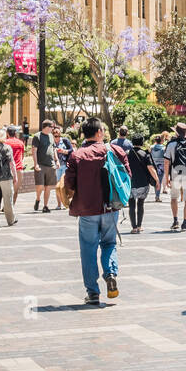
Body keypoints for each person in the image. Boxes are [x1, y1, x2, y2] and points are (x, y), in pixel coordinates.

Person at [63, 118, 127, 305]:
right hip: (110, 207)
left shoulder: (77, 155)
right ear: (99, 132)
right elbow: (126, 176)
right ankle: (111, 273)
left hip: (87, 209)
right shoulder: (115, 151)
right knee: (109, 243)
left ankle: (92, 292)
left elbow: (69, 183)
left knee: (88, 249)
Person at [163, 121, 186, 232]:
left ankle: (175, 220)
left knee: (174, 198)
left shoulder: (171, 145)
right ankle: (185, 223)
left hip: (176, 174)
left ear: (176, 133)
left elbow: (166, 162)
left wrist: (167, 177)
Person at [125, 135, 159, 233]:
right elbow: (150, 168)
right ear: (142, 143)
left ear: (132, 142)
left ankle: (134, 227)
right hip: (143, 183)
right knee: (140, 204)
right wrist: (157, 180)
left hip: (130, 183)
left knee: (131, 205)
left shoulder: (127, 154)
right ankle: (139, 226)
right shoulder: (145, 154)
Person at [30, 120, 60, 213]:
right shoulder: (37, 136)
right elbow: (34, 151)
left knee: (48, 187)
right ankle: (38, 199)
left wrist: (57, 160)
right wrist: (36, 164)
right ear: (47, 127)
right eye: (52, 127)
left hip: (50, 165)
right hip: (41, 165)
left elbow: (54, 149)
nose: (53, 129)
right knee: (40, 186)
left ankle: (45, 206)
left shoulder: (51, 136)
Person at [4, 125, 26, 201]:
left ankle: (5, 206)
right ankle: (11, 207)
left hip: (6, 169)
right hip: (19, 169)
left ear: (7, 133)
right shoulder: (20, 143)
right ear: (15, 133)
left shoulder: (5, 142)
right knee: (15, 191)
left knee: (5, 190)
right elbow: (22, 156)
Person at [149, 133, 166, 202]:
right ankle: (157, 196)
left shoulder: (151, 147)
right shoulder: (164, 148)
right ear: (161, 141)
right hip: (161, 166)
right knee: (160, 181)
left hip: (153, 166)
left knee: (155, 180)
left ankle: (156, 193)